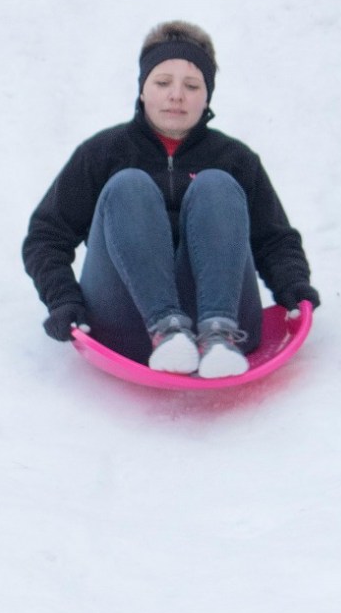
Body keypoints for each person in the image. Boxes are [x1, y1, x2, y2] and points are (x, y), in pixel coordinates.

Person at [22, 20, 319, 379]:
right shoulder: (103, 154)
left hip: (228, 326)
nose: (176, 95)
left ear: (206, 95)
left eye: (191, 85)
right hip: (128, 323)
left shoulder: (235, 160)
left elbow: (275, 240)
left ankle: (218, 335)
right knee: (129, 185)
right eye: (162, 83)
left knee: (217, 186)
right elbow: (47, 237)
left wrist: (293, 288)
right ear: (143, 89)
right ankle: (165, 328)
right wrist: (63, 300)